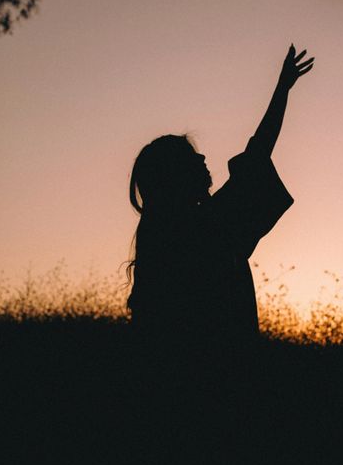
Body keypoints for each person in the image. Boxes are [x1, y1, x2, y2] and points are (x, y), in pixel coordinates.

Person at [126, 45, 314, 356]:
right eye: (190, 156)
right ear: (174, 175)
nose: (201, 157)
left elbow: (256, 156)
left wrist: (282, 89)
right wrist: (282, 90)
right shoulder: (204, 227)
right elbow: (257, 155)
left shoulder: (161, 234)